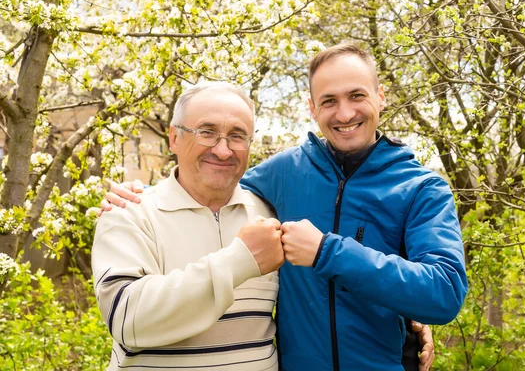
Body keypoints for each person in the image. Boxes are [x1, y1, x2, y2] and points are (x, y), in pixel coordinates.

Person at [101, 43, 465, 370]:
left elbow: (444, 294)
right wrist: (143, 194)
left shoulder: (422, 188)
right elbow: (213, 178)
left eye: (357, 95)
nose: (344, 113)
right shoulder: (282, 174)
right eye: (328, 101)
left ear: (381, 96)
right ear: (311, 107)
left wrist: (328, 252)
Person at [92, 82, 285, 370]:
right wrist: (239, 260)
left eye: (237, 136)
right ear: (174, 138)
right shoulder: (128, 212)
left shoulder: (271, 214)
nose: (223, 150)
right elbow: (126, 320)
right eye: (206, 132)